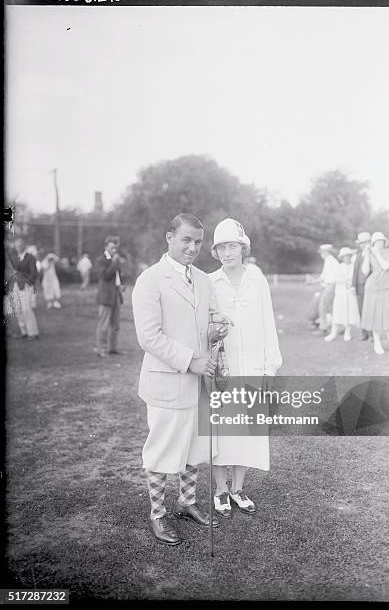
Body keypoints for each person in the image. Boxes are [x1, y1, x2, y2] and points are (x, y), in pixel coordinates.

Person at [132, 214, 229, 546]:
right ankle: (157, 514)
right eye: (186, 240)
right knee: (161, 451)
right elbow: (149, 337)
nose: (192, 247)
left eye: (198, 242)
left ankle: (186, 502)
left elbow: (211, 317)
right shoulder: (150, 279)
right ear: (169, 237)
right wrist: (192, 360)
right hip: (168, 382)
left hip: (198, 383)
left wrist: (218, 326)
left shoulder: (202, 279)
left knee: (194, 447)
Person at [209, 218, 282, 518]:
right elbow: (205, 328)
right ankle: (220, 491)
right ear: (216, 251)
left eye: (233, 246)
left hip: (253, 368)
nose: (228, 253)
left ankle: (238, 489)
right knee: (220, 433)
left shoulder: (257, 279)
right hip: (222, 372)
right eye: (222, 247)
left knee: (247, 432)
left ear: (243, 248)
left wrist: (269, 368)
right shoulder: (210, 283)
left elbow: (268, 324)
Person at [360, 232, 389, 355]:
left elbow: (385, 266)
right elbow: (365, 271)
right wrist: (368, 255)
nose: (379, 243)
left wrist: (377, 253)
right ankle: (377, 344)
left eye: (381, 241)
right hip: (372, 287)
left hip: (386, 288)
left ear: (384, 242)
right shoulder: (371, 253)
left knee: (388, 316)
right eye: (377, 241)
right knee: (374, 316)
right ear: (373, 243)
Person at [95, 236, 124, 358]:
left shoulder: (114, 260)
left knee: (115, 324)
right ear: (106, 247)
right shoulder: (101, 260)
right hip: (106, 296)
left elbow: (116, 276)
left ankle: (113, 348)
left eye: (115, 248)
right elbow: (105, 275)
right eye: (112, 247)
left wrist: (120, 284)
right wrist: (114, 263)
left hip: (116, 294)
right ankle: (101, 350)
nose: (114, 250)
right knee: (104, 324)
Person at [6, 236, 39, 339]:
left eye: (20, 244)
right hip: (15, 285)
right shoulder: (15, 257)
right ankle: (24, 332)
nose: (18, 246)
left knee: (26, 308)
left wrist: (26, 282)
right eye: (17, 245)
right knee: (18, 309)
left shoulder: (30, 257)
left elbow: (34, 274)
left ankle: (33, 333)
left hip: (26, 286)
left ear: (24, 245)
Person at [324, 247, 360, 342]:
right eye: (345, 256)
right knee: (338, 311)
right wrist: (345, 282)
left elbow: (355, 278)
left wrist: (351, 284)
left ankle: (347, 332)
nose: (347, 258)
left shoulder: (354, 267)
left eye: (348, 256)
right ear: (342, 258)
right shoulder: (339, 267)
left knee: (349, 312)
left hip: (350, 293)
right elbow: (335, 279)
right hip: (340, 292)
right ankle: (333, 333)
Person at [307, 244, 339, 335]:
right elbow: (323, 277)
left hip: (331, 286)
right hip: (327, 286)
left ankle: (323, 328)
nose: (321, 254)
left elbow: (334, 278)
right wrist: (312, 282)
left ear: (327, 252)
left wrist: (330, 287)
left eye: (322, 252)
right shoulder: (328, 261)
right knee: (331, 308)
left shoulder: (332, 261)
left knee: (322, 307)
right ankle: (339, 327)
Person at [352, 232, 372, 340]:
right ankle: (364, 333)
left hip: (370, 286)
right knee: (361, 310)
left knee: (370, 310)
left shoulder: (372, 253)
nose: (363, 245)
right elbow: (355, 272)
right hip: (359, 287)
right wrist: (353, 286)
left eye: (365, 242)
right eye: (361, 243)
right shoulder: (359, 255)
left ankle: (372, 334)